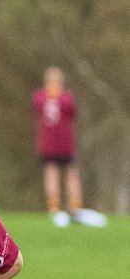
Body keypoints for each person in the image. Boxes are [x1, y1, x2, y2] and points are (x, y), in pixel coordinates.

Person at [33, 67, 105, 227]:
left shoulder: (40, 98)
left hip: (52, 145)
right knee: (63, 174)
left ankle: (64, 206)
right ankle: (65, 206)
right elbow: (72, 111)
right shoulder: (65, 99)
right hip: (61, 145)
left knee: (59, 174)